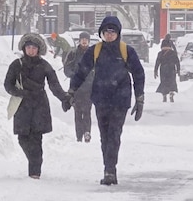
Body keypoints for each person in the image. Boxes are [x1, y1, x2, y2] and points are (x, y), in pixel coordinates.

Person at [67, 16, 146, 185]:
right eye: (106, 32)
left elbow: (138, 74)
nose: (109, 35)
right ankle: (108, 168)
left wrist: (140, 98)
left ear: (118, 33)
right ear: (101, 33)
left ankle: (111, 169)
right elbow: (81, 72)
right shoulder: (95, 51)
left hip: (120, 99)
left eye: (113, 32)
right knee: (104, 136)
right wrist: (71, 91)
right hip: (101, 99)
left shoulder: (127, 51)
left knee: (114, 134)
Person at [4, 33, 73, 179]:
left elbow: (54, 84)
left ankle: (35, 171)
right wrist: (19, 92)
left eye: (33, 47)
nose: (30, 50)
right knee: (22, 138)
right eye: (28, 47)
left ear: (38, 49)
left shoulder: (44, 65)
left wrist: (64, 98)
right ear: (24, 48)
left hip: (39, 105)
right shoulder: (17, 65)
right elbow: (7, 84)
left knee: (36, 138)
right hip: (22, 106)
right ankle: (35, 161)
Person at [62, 31, 94, 142]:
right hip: (76, 88)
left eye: (86, 39)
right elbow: (66, 68)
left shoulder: (93, 54)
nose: (84, 41)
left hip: (89, 88)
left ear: (88, 41)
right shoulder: (73, 54)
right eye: (82, 39)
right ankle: (79, 135)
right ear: (79, 41)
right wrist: (73, 75)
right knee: (77, 112)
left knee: (87, 111)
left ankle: (87, 132)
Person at [153, 38, 180, 102]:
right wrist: (178, 70)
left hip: (163, 70)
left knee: (164, 82)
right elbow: (177, 62)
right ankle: (171, 92)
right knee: (172, 82)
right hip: (171, 69)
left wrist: (155, 71)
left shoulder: (160, 53)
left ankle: (164, 95)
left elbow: (157, 62)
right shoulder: (173, 53)